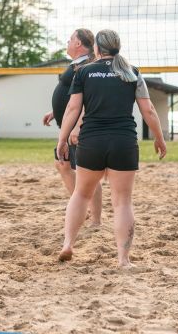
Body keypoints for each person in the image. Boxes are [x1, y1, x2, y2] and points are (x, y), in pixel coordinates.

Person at [57, 29, 167, 268]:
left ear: (97, 48)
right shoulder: (132, 72)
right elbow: (148, 110)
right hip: (123, 142)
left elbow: (73, 109)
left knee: (81, 194)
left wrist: (62, 139)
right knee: (122, 202)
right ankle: (123, 259)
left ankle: (68, 244)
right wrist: (159, 138)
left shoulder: (84, 72)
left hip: (91, 142)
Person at [42, 29, 103, 225]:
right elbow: (72, 96)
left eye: (70, 39)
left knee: (88, 174)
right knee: (63, 164)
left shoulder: (87, 65)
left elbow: (87, 100)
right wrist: (56, 110)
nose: (67, 42)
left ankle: (95, 220)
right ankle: (82, 207)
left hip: (80, 129)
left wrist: (77, 125)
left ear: (78, 44)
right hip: (69, 126)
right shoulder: (78, 64)